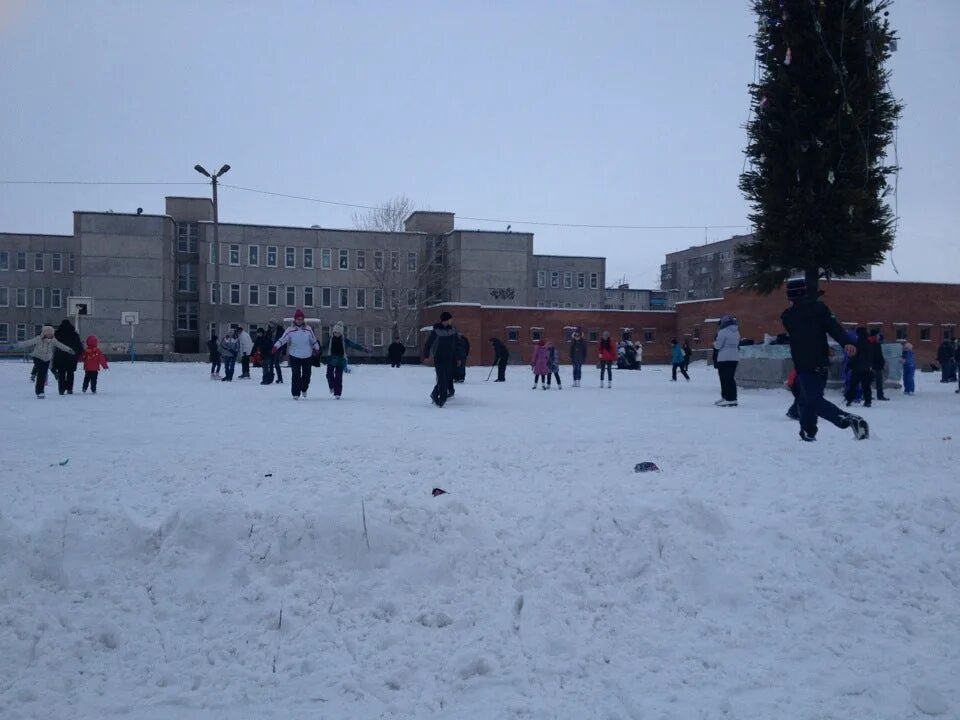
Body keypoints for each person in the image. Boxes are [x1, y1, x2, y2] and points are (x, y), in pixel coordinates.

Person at [781, 278, 868, 441]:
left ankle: (848, 420)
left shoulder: (788, 316)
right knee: (804, 399)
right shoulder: (819, 310)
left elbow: (802, 327)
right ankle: (808, 432)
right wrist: (846, 342)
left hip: (805, 364)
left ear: (791, 297)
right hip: (819, 363)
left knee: (812, 400)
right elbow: (833, 327)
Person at [16, 325, 77, 399]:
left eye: (51, 333)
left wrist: (69, 350)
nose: (50, 335)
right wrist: (17, 345)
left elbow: (61, 345)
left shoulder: (53, 340)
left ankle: (40, 390)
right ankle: (40, 392)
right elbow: (28, 342)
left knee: (43, 374)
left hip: (47, 358)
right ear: (44, 333)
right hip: (38, 357)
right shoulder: (38, 339)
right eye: (48, 333)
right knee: (41, 373)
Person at [272, 309, 320, 399]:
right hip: (294, 356)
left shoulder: (308, 329)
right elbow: (283, 339)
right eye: (298, 319)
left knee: (307, 375)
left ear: (303, 320)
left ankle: (304, 388)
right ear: (295, 320)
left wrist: (317, 348)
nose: (300, 321)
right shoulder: (290, 330)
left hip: (307, 356)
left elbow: (313, 340)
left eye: (301, 319)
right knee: (296, 374)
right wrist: (276, 346)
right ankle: (295, 393)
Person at [424, 311, 460, 407]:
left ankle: (435, 394)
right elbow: (428, 343)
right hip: (439, 358)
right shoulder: (436, 331)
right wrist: (426, 354)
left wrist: (458, 357)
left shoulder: (453, 330)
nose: (452, 320)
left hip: (450, 358)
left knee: (446, 378)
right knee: (442, 378)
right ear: (445, 320)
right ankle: (442, 399)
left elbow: (458, 345)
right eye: (450, 319)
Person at [324, 321, 369, 399]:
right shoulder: (330, 339)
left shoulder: (344, 340)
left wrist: (364, 349)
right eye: (335, 332)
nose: (336, 334)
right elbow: (324, 346)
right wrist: (316, 350)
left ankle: (337, 393)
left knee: (338, 376)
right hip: (331, 359)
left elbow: (353, 345)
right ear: (333, 332)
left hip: (341, 360)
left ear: (341, 333)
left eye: (338, 333)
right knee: (329, 374)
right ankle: (331, 386)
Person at [713, 315, 740, 406]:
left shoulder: (722, 332)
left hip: (724, 358)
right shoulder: (736, 331)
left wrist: (714, 343)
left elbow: (718, 346)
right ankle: (732, 397)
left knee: (724, 378)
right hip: (734, 357)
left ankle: (727, 398)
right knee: (730, 378)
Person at [845, 328, 874, 408]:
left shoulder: (856, 343)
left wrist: (850, 365)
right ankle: (868, 401)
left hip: (856, 368)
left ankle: (849, 400)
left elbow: (853, 356)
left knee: (853, 385)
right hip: (866, 368)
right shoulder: (869, 343)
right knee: (866, 386)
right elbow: (871, 356)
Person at [53, 319, 83, 395]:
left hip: (60, 357)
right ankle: (69, 389)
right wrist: (80, 353)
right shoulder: (74, 334)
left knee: (61, 373)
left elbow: (54, 345)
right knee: (70, 373)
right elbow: (79, 345)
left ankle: (61, 389)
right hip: (71, 357)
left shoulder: (57, 334)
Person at [869, 329, 888, 401]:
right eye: (877, 335)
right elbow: (872, 355)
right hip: (873, 366)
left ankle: (880, 396)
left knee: (879, 382)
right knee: (868, 382)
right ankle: (866, 395)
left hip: (878, 366)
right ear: (874, 335)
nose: (879, 336)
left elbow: (879, 355)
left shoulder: (877, 343)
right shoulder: (871, 343)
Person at [268, 319, 284, 384]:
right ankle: (271, 378)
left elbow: (283, 340)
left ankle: (280, 378)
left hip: (278, 348)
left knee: (276, 363)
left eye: (272, 325)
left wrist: (283, 350)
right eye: (270, 325)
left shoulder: (280, 330)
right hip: (271, 348)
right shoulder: (270, 330)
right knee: (271, 363)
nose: (271, 326)